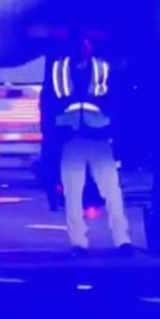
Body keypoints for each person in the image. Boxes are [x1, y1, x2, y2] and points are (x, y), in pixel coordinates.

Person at [50, 36, 133, 255]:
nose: (81, 47)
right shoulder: (59, 69)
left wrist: (112, 130)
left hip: (97, 137)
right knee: (73, 192)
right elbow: (49, 104)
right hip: (71, 138)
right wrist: (54, 136)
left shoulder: (102, 68)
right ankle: (78, 242)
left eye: (85, 43)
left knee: (111, 190)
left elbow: (116, 100)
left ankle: (122, 240)